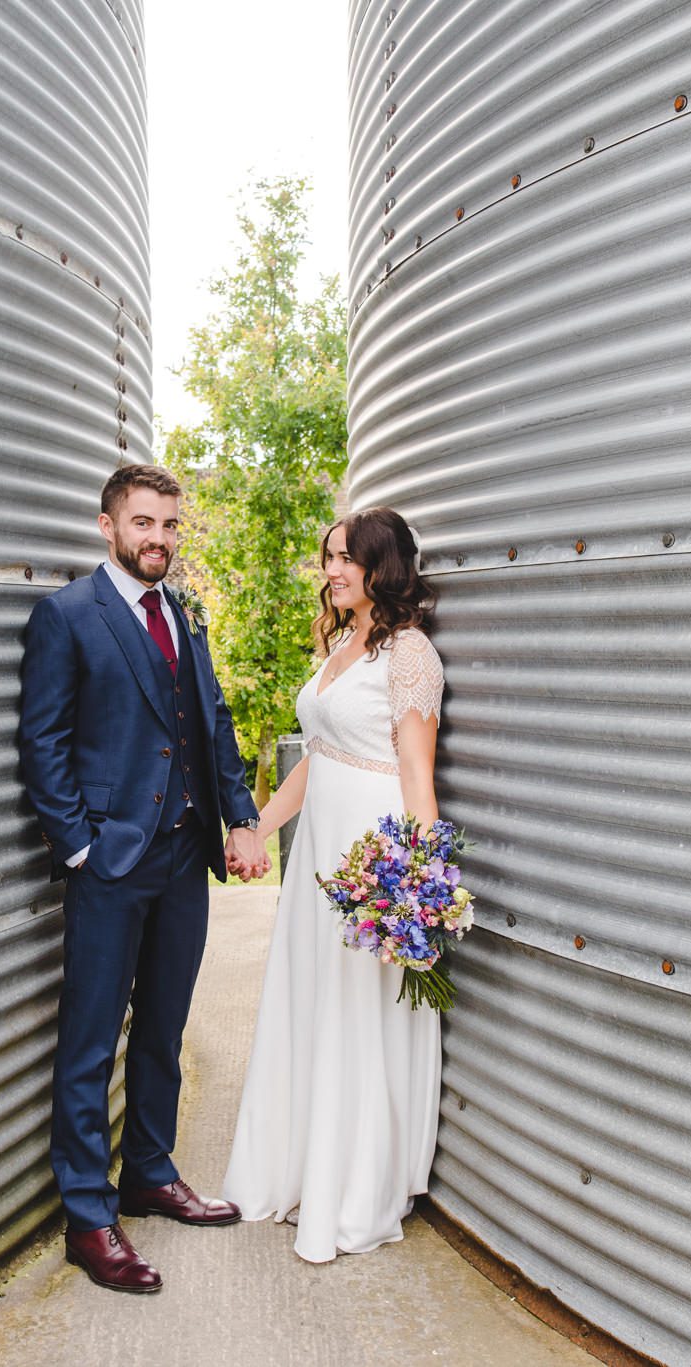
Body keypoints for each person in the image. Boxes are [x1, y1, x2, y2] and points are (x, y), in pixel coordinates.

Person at [15, 463, 272, 1295]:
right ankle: (89, 1217)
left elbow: (214, 719)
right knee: (91, 1043)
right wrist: (81, 848)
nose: (159, 538)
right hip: (112, 862)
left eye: (169, 524)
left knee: (162, 1026)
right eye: (143, 523)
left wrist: (237, 816)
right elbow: (43, 742)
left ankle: (150, 1172)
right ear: (107, 525)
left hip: (183, 854)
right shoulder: (67, 616)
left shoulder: (182, 612)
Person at [221, 506, 446, 1263]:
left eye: (345, 557)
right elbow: (313, 759)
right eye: (328, 558)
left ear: (382, 563)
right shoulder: (341, 642)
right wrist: (253, 824)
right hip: (316, 849)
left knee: (359, 1010)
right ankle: (296, 1165)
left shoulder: (410, 655)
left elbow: (418, 775)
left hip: (371, 851)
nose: (332, 570)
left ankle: (353, 1184)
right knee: (311, 1000)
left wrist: (419, 884)